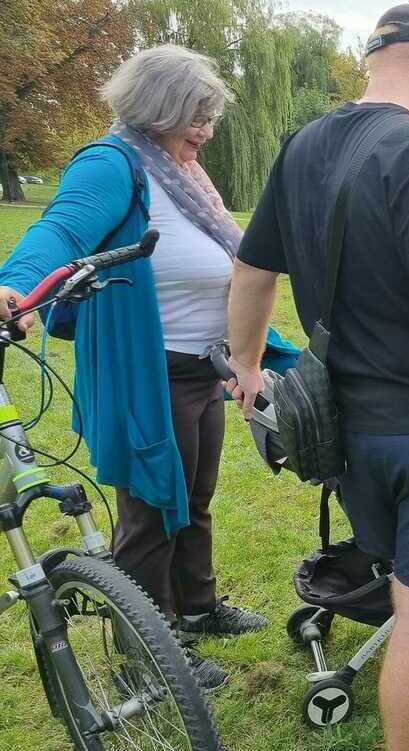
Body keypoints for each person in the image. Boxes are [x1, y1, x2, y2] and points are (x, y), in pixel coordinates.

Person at [223, 5, 409, 751]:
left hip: (345, 435)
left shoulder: (302, 146)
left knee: (406, 588)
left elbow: (253, 268)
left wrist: (247, 364)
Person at [0, 45, 295, 690]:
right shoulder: (114, 165)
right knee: (150, 510)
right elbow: (61, 231)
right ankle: (144, 648)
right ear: (158, 108)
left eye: (210, 116)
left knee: (193, 498)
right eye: (196, 115)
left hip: (200, 370)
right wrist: (16, 286)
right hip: (146, 374)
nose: (208, 130)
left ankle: (195, 606)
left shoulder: (184, 173)